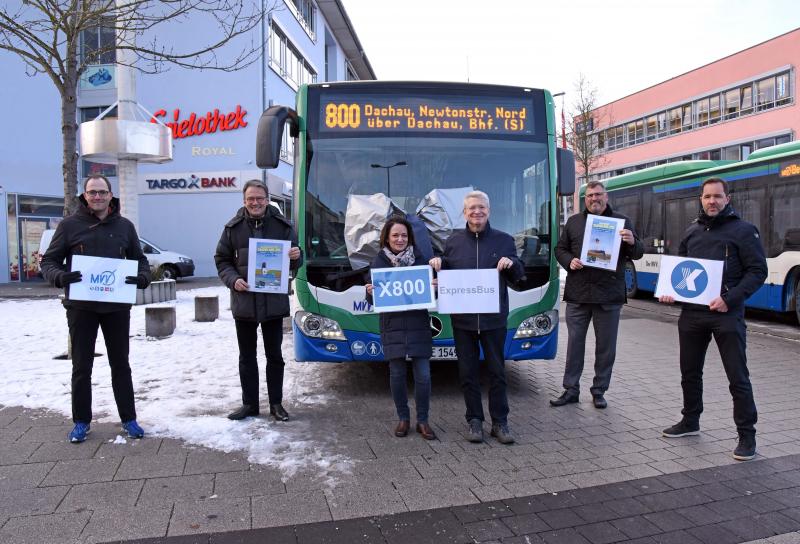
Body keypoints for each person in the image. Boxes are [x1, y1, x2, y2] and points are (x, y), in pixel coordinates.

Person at [659, 177, 767, 461]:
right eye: (707, 197)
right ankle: (690, 421)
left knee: (737, 377)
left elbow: (758, 272)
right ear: (701, 199)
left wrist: (729, 299)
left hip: (726, 315)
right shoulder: (691, 232)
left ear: (727, 199)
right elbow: (680, 273)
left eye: (717, 196)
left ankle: (747, 435)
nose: (712, 201)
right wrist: (672, 294)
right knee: (689, 373)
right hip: (692, 315)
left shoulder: (744, 231)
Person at [40, 175, 151, 443]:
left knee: (120, 365)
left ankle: (128, 419)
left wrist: (142, 278)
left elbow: (141, 261)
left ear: (110, 195)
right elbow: (49, 262)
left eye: (102, 192)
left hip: (115, 308)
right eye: (93, 192)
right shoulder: (69, 226)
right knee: (81, 366)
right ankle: (81, 422)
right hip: (81, 307)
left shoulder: (125, 226)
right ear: (85, 195)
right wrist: (60, 276)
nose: (98, 197)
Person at [429, 190, 523, 444]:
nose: (476, 212)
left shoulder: (504, 241)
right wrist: (438, 263)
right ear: (464, 213)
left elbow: (518, 276)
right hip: (463, 321)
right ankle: (474, 421)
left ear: (488, 211)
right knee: (467, 373)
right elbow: (446, 270)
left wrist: (512, 264)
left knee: (497, 373)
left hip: (494, 320)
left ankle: (500, 423)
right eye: (471, 208)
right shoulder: (453, 241)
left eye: (481, 207)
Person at [215, 180, 302, 421]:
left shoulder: (283, 226)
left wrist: (297, 255)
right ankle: (250, 405)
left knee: (275, 356)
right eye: (250, 198)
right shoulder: (232, 228)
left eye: (260, 198)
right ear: (244, 201)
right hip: (244, 302)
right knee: (247, 357)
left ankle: (276, 404)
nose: (255, 202)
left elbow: (295, 261)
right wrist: (233, 280)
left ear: (267, 199)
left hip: (273, 303)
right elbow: (222, 260)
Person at [551, 181, 644, 409]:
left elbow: (638, 253)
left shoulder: (622, 222)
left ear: (606, 196)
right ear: (585, 199)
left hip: (608, 295)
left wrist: (632, 242)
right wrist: (568, 261)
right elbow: (559, 249)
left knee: (606, 347)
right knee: (574, 346)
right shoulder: (574, 222)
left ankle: (599, 390)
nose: (594, 198)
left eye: (598, 194)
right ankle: (570, 389)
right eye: (590, 195)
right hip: (578, 294)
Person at [365, 217, 436, 440]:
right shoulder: (378, 263)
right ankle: (403, 418)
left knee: (423, 376)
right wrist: (369, 292)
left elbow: (432, 296)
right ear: (387, 237)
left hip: (418, 326)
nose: (400, 239)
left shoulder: (421, 260)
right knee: (396, 375)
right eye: (395, 235)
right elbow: (372, 301)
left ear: (410, 238)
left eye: (404, 235)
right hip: (392, 327)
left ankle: (422, 420)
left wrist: (434, 287)